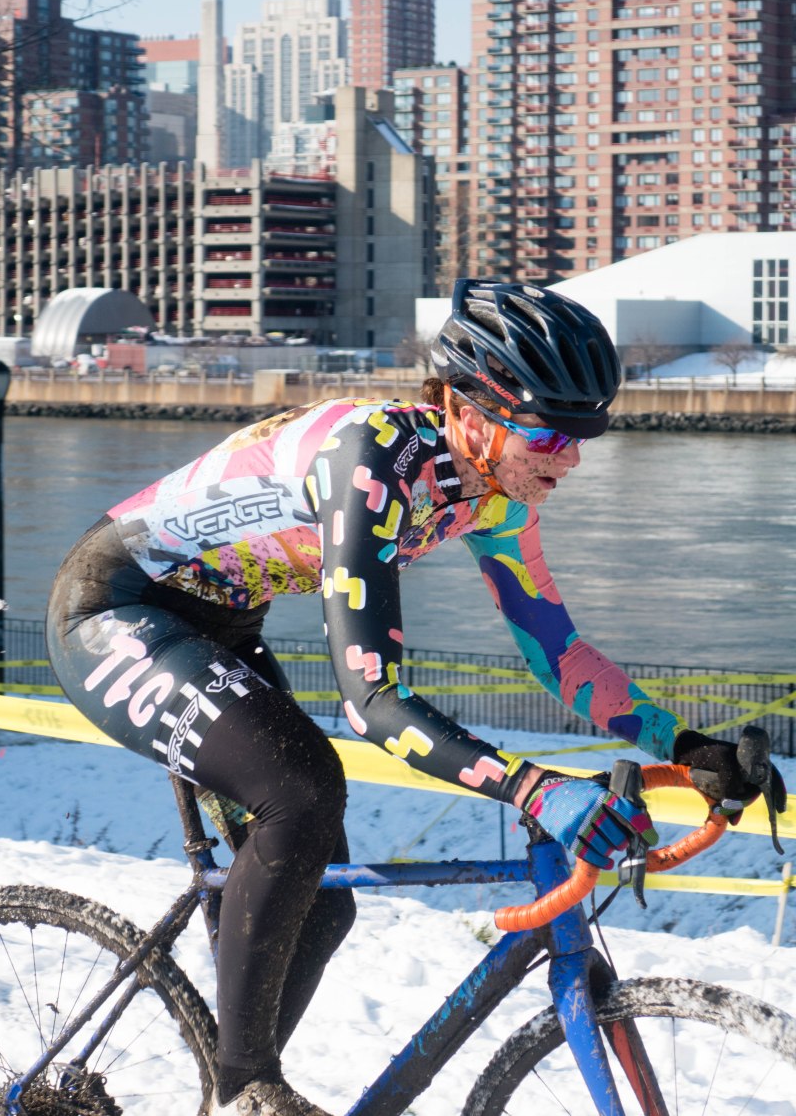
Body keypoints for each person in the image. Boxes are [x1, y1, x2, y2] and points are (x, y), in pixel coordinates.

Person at [45, 279, 782, 1116]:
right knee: (303, 788)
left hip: (219, 623)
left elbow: (562, 655)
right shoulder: (372, 461)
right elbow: (372, 702)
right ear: (469, 411)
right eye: (548, 432)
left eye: (587, 433)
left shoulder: (497, 491)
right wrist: (535, 786)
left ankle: (229, 1087)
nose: (569, 457)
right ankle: (244, 1087)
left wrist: (689, 748)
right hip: (114, 608)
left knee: (323, 908)